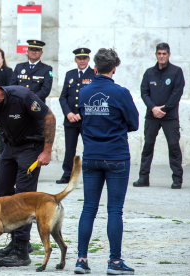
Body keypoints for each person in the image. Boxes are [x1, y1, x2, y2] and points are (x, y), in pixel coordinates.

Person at [0, 75, 56, 267]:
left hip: (31, 146)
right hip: (10, 146)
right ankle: (15, 240)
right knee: (2, 190)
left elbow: (49, 117)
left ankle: (21, 250)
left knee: (23, 196)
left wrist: (47, 151)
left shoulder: (22, 96)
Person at [74, 48, 138, 275]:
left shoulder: (84, 92)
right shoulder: (120, 92)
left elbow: (83, 120)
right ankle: (114, 262)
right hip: (116, 155)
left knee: (88, 209)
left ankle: (81, 260)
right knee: (114, 211)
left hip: (91, 155)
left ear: (94, 68)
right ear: (114, 69)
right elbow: (133, 123)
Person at [133, 43, 185, 189]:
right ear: (156, 55)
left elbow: (177, 92)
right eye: (159, 53)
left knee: (174, 148)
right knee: (148, 147)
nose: (161, 56)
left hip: (170, 117)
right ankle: (143, 178)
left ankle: (177, 179)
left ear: (169, 55)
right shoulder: (149, 72)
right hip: (152, 116)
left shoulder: (176, 72)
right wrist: (153, 108)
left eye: (164, 54)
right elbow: (144, 92)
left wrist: (165, 109)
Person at [57, 48, 95, 184]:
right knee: (70, 148)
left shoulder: (94, 75)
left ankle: (90, 173)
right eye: (79, 58)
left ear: (89, 59)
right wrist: (68, 113)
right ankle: (67, 174)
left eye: (85, 58)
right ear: (75, 60)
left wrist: (82, 113)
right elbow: (63, 97)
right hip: (71, 120)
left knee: (89, 147)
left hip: (86, 120)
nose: (82, 61)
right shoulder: (70, 75)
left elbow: (93, 98)